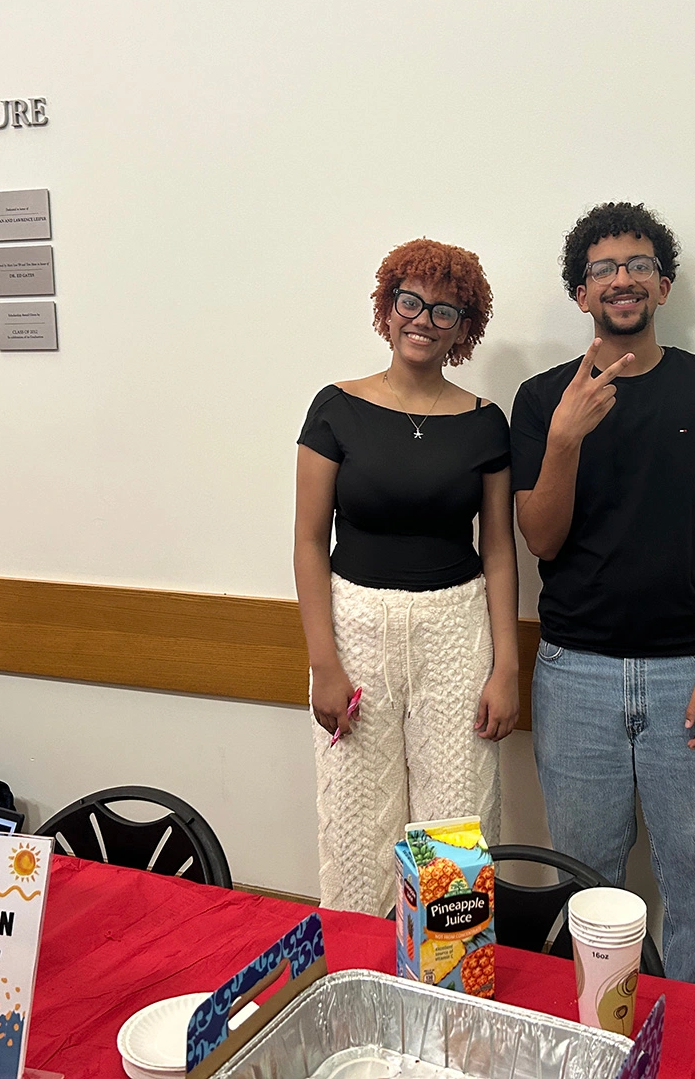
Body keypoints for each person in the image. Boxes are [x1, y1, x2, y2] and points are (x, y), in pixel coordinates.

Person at [510, 202, 695, 991]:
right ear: (580, 294)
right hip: (574, 673)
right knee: (592, 896)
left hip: (688, 670)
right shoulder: (541, 398)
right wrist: (564, 438)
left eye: (637, 264)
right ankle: (601, 1042)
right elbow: (541, 540)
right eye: (602, 269)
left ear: (663, 284)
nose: (621, 279)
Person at [294, 238, 520, 916]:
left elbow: (501, 550)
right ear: (387, 308)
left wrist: (507, 665)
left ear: (464, 327)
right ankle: (360, 995)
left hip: (457, 628)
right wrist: (322, 663)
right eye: (410, 301)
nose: (423, 318)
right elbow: (308, 542)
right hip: (354, 626)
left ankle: (451, 1001)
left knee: (454, 833)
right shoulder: (335, 407)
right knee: (359, 833)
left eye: (444, 310)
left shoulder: (486, 424)